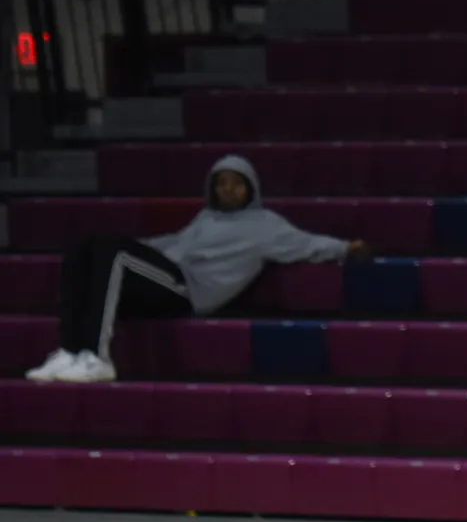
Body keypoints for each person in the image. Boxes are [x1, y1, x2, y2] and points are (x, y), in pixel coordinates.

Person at [26, 154, 367, 384]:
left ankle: (97, 358)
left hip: (186, 290)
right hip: (164, 277)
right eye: (221, 183)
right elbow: (175, 242)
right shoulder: (206, 218)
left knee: (110, 252)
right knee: (83, 247)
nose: (227, 190)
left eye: (235, 183)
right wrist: (131, 246)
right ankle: (70, 351)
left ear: (250, 187)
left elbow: (306, 243)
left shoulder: (266, 225)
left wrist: (345, 247)